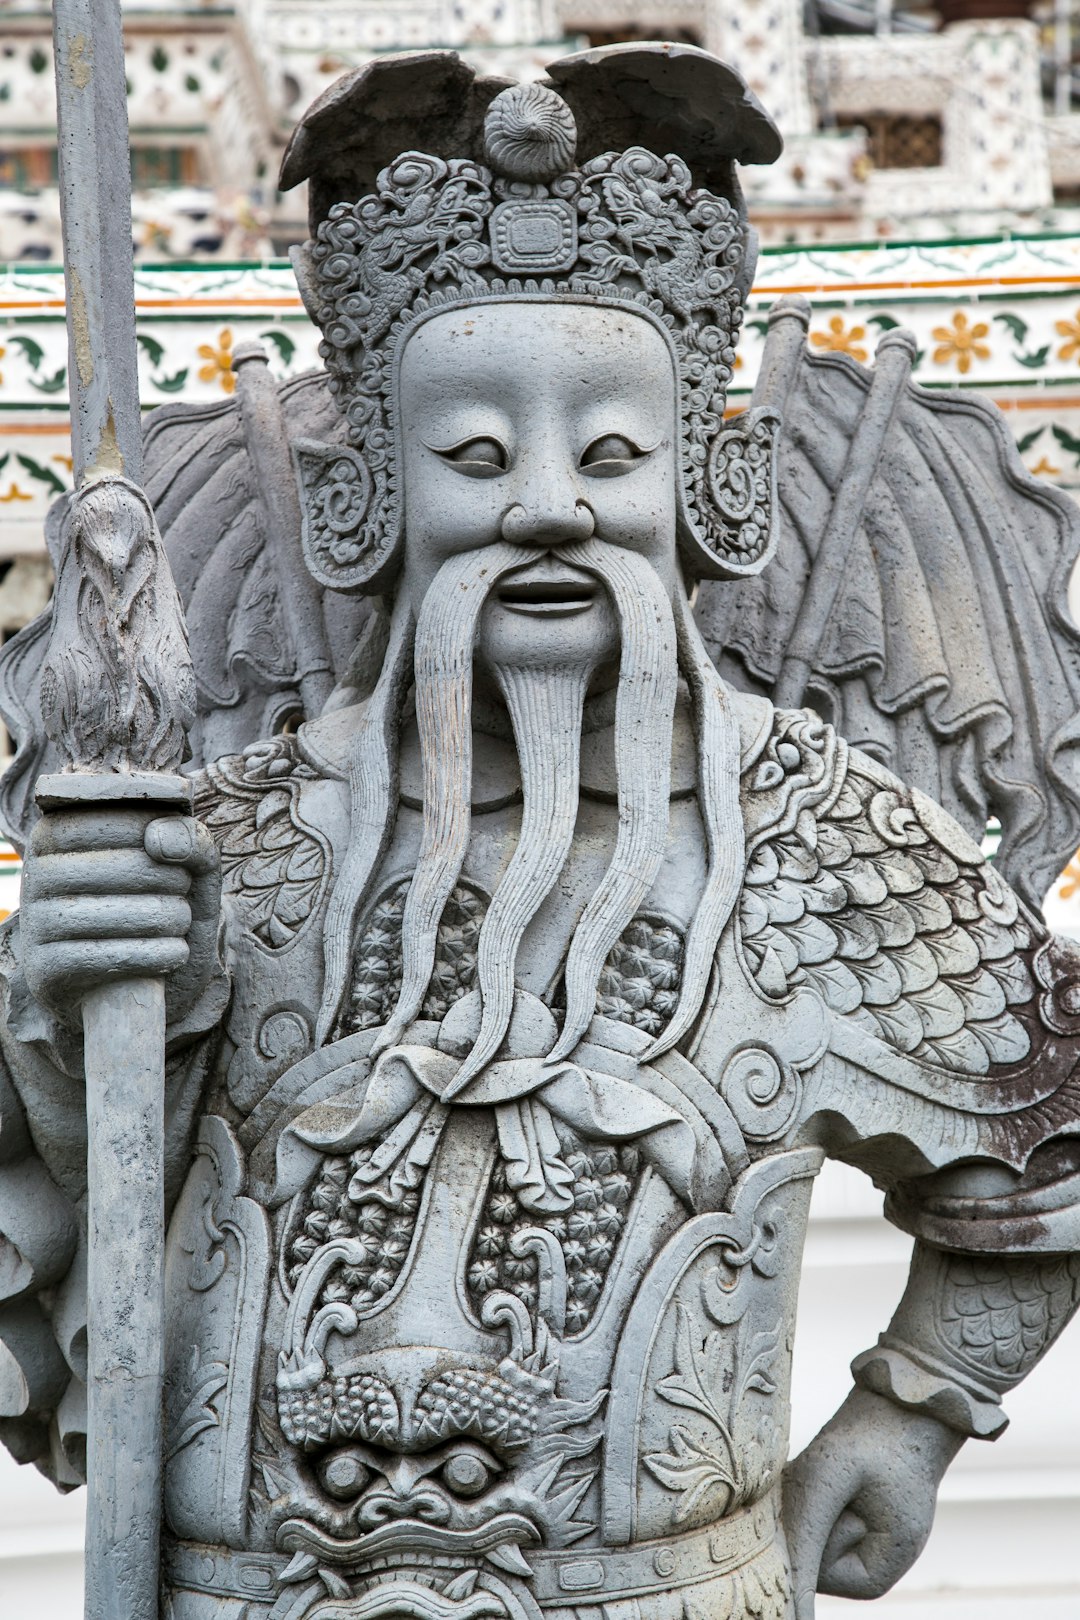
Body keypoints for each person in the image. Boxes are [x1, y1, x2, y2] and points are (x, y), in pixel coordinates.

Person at [3, 47, 1080, 1620]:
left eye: (615, 454)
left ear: (708, 487)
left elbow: (1046, 1164)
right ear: (366, 497)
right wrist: (59, 1010)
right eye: (477, 458)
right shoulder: (236, 847)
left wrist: (913, 1410)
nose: (552, 509)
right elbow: (80, 1209)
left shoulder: (824, 844)